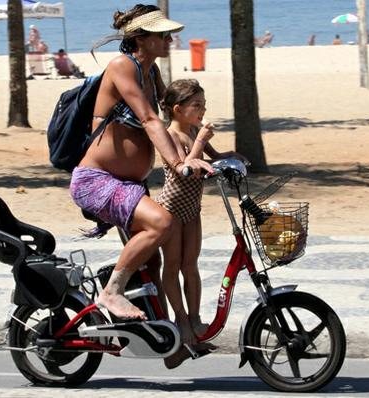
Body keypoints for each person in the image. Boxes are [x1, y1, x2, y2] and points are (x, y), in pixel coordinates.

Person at [70, 4, 213, 320]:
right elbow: (149, 119)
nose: (169, 41)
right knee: (161, 222)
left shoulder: (152, 72)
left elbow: (175, 113)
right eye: (163, 35)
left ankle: (169, 336)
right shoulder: (123, 66)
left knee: (152, 263)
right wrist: (178, 164)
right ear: (142, 38)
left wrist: (215, 153)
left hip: (129, 185)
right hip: (97, 180)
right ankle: (112, 291)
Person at [155, 79, 246, 368]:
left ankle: (195, 320)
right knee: (172, 267)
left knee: (190, 265)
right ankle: (180, 320)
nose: (202, 111)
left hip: (192, 208)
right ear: (178, 109)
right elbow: (185, 165)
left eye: (204, 105)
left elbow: (211, 158)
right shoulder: (169, 135)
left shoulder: (193, 130)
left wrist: (227, 157)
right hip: (171, 209)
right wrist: (200, 141)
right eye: (197, 106)